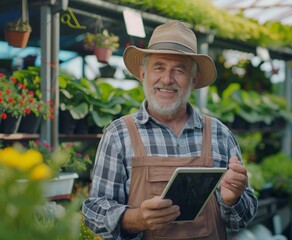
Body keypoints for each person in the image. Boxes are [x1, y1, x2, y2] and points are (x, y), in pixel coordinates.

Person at [82, 20, 258, 240]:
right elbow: (94, 210)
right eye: (159, 67)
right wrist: (136, 219)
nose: (167, 79)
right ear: (143, 74)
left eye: (179, 70)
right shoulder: (119, 134)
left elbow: (242, 219)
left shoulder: (220, 134)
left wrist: (233, 199)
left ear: (193, 80)